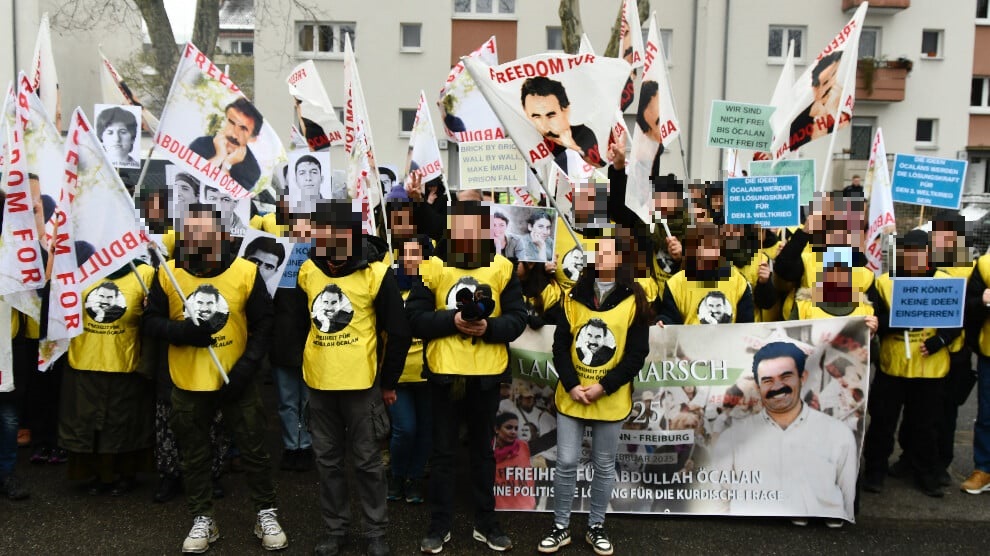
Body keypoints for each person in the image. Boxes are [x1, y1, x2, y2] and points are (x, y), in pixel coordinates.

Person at [143, 202, 287, 553]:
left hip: (237, 378)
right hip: (188, 381)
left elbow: (265, 323)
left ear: (221, 237)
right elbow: (149, 323)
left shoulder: (245, 272)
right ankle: (202, 517)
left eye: (205, 235)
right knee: (193, 454)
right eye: (191, 235)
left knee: (254, 449)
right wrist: (181, 332)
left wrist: (247, 368)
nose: (198, 243)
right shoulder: (169, 273)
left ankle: (265, 512)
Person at [287, 201, 411, 556]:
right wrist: (304, 364)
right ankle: (336, 529)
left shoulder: (374, 272)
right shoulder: (308, 271)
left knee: (368, 464)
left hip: (362, 388)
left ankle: (375, 533)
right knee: (327, 463)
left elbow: (398, 331)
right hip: (319, 386)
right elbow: (297, 324)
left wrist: (387, 383)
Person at [406, 200, 528, 553]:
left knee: (482, 453)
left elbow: (517, 319)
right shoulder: (433, 268)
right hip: (444, 376)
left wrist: (488, 327)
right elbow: (414, 317)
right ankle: (439, 523)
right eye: (460, 227)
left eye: (473, 227)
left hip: (485, 378)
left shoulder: (502, 268)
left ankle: (486, 522)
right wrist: (451, 321)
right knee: (442, 454)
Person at [538, 228, 651, 555]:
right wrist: (572, 384)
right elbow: (560, 345)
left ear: (620, 259)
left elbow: (636, 355)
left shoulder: (634, 299)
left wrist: (604, 386)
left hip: (610, 399)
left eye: (609, 253)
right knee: (567, 461)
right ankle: (561, 527)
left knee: (603, 465)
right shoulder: (573, 296)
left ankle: (595, 526)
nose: (602, 257)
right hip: (572, 396)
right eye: (597, 252)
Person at [711, 342, 858, 526]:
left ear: (802, 377)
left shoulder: (838, 434)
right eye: (767, 380)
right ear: (757, 387)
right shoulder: (733, 437)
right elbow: (719, 498)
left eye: (786, 376)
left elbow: (847, 497)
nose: (777, 386)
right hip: (748, 535)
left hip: (820, 540)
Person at [863, 229, 960, 498]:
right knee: (882, 423)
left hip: (931, 369)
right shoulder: (884, 282)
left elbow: (956, 321)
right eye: (908, 252)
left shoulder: (944, 281)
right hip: (893, 366)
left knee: (926, 425)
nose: (914, 257)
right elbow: (874, 320)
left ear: (928, 254)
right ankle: (875, 471)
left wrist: (941, 339)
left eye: (919, 252)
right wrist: (892, 322)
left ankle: (925, 473)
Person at [58, 263, 156, 496]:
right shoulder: (76, 266)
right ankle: (96, 475)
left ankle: (124, 475)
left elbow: (154, 319)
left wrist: (151, 309)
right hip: (84, 360)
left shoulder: (144, 272)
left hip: (125, 361)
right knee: (87, 423)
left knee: (123, 424)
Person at [387, 236, 434, 505]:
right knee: (405, 429)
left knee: (425, 431)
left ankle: (414, 479)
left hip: (428, 373)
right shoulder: (391, 286)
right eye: (406, 253)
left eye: (416, 253)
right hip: (399, 374)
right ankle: (396, 475)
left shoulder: (434, 285)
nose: (411, 258)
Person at [655, 223, 755, 326]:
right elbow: (670, 318)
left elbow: (746, 325)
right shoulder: (675, 284)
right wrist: (664, 322)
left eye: (713, 247)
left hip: (729, 341)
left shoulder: (738, 282)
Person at [520, 76, 603, 169]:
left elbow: (600, 181)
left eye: (550, 116)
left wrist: (574, 149)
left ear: (566, 110)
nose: (544, 126)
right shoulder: (523, 143)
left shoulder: (584, 135)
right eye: (536, 117)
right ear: (526, 113)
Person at [963, 239, 990, 495]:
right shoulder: (984, 265)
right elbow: (967, 309)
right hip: (989, 353)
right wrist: (981, 301)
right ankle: (983, 469)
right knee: (987, 415)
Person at [189, 97, 264, 190]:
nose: (234, 134)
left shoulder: (252, 170)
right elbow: (190, 178)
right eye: (231, 122)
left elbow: (228, 198)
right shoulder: (201, 144)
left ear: (253, 139)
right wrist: (219, 156)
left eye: (243, 129)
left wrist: (227, 165)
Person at [786, 51, 844, 152]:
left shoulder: (843, 115)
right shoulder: (803, 118)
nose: (822, 90)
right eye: (818, 85)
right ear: (814, 90)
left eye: (827, 82)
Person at [493, 412, 535, 510]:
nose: (513, 432)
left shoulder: (523, 446)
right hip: (499, 509)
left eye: (516, 428)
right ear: (497, 429)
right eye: (509, 427)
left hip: (526, 508)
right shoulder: (488, 451)